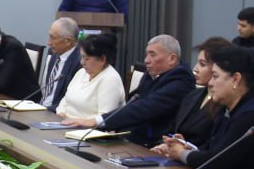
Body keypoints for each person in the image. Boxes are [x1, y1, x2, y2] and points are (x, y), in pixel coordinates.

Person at [65, 35, 193, 146]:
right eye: (147, 54)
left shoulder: (181, 80)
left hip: (155, 144)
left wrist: (97, 121)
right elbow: (134, 101)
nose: (146, 60)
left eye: (152, 55)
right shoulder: (153, 75)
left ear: (172, 59)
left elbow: (144, 109)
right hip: (132, 138)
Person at [153, 36, 229, 148]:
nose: (195, 69)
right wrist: (165, 144)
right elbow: (171, 129)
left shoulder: (225, 104)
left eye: (202, 64)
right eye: (197, 63)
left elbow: (212, 145)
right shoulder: (193, 95)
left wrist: (185, 148)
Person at [56, 33, 125, 121]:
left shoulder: (111, 79)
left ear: (102, 59)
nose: (82, 62)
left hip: (89, 131)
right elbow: (66, 99)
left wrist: (75, 121)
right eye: (82, 57)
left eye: (87, 59)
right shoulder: (82, 72)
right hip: (64, 124)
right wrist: (60, 112)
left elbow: (104, 118)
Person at [39, 17, 82, 110]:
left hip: (58, 113)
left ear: (68, 41)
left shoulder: (80, 63)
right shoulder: (54, 53)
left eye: (53, 37)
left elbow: (70, 102)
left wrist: (45, 110)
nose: (48, 43)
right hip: (41, 107)